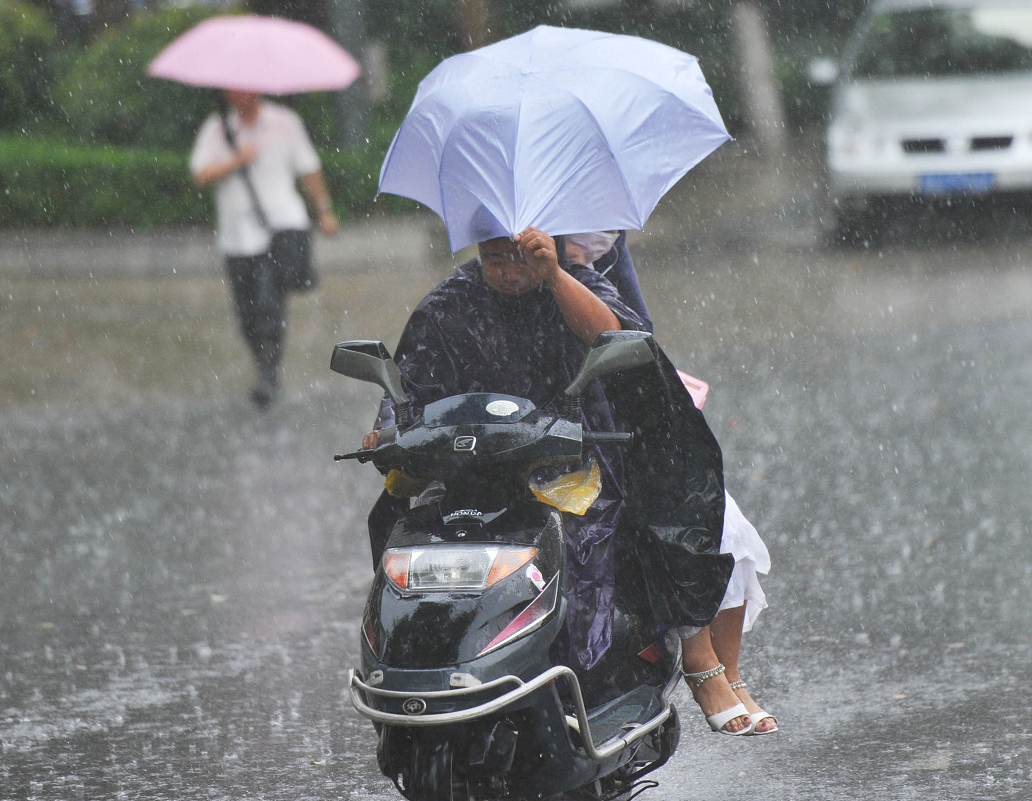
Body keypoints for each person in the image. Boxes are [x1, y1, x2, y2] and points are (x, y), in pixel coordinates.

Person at [362, 227, 760, 736]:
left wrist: (552, 275)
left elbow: (612, 332)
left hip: (575, 467)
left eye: (520, 259)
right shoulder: (447, 305)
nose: (508, 272)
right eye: (494, 258)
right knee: (406, 533)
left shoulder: (577, 283)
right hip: (471, 472)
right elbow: (408, 388)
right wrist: (388, 432)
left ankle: (623, 678)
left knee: (648, 526)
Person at [562, 229, 777, 736]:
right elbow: (420, 374)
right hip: (526, 448)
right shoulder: (462, 301)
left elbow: (633, 338)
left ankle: (725, 672)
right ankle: (704, 667)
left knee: (715, 515)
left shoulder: (588, 275)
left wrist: (559, 273)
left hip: (606, 431)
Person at [189, 90, 339, 409]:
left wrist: (324, 210)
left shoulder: (285, 122)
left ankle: (268, 374)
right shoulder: (216, 128)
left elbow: (308, 168)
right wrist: (236, 161)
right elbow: (201, 175)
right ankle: (263, 363)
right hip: (237, 236)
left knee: (271, 304)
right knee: (247, 313)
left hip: (282, 227)